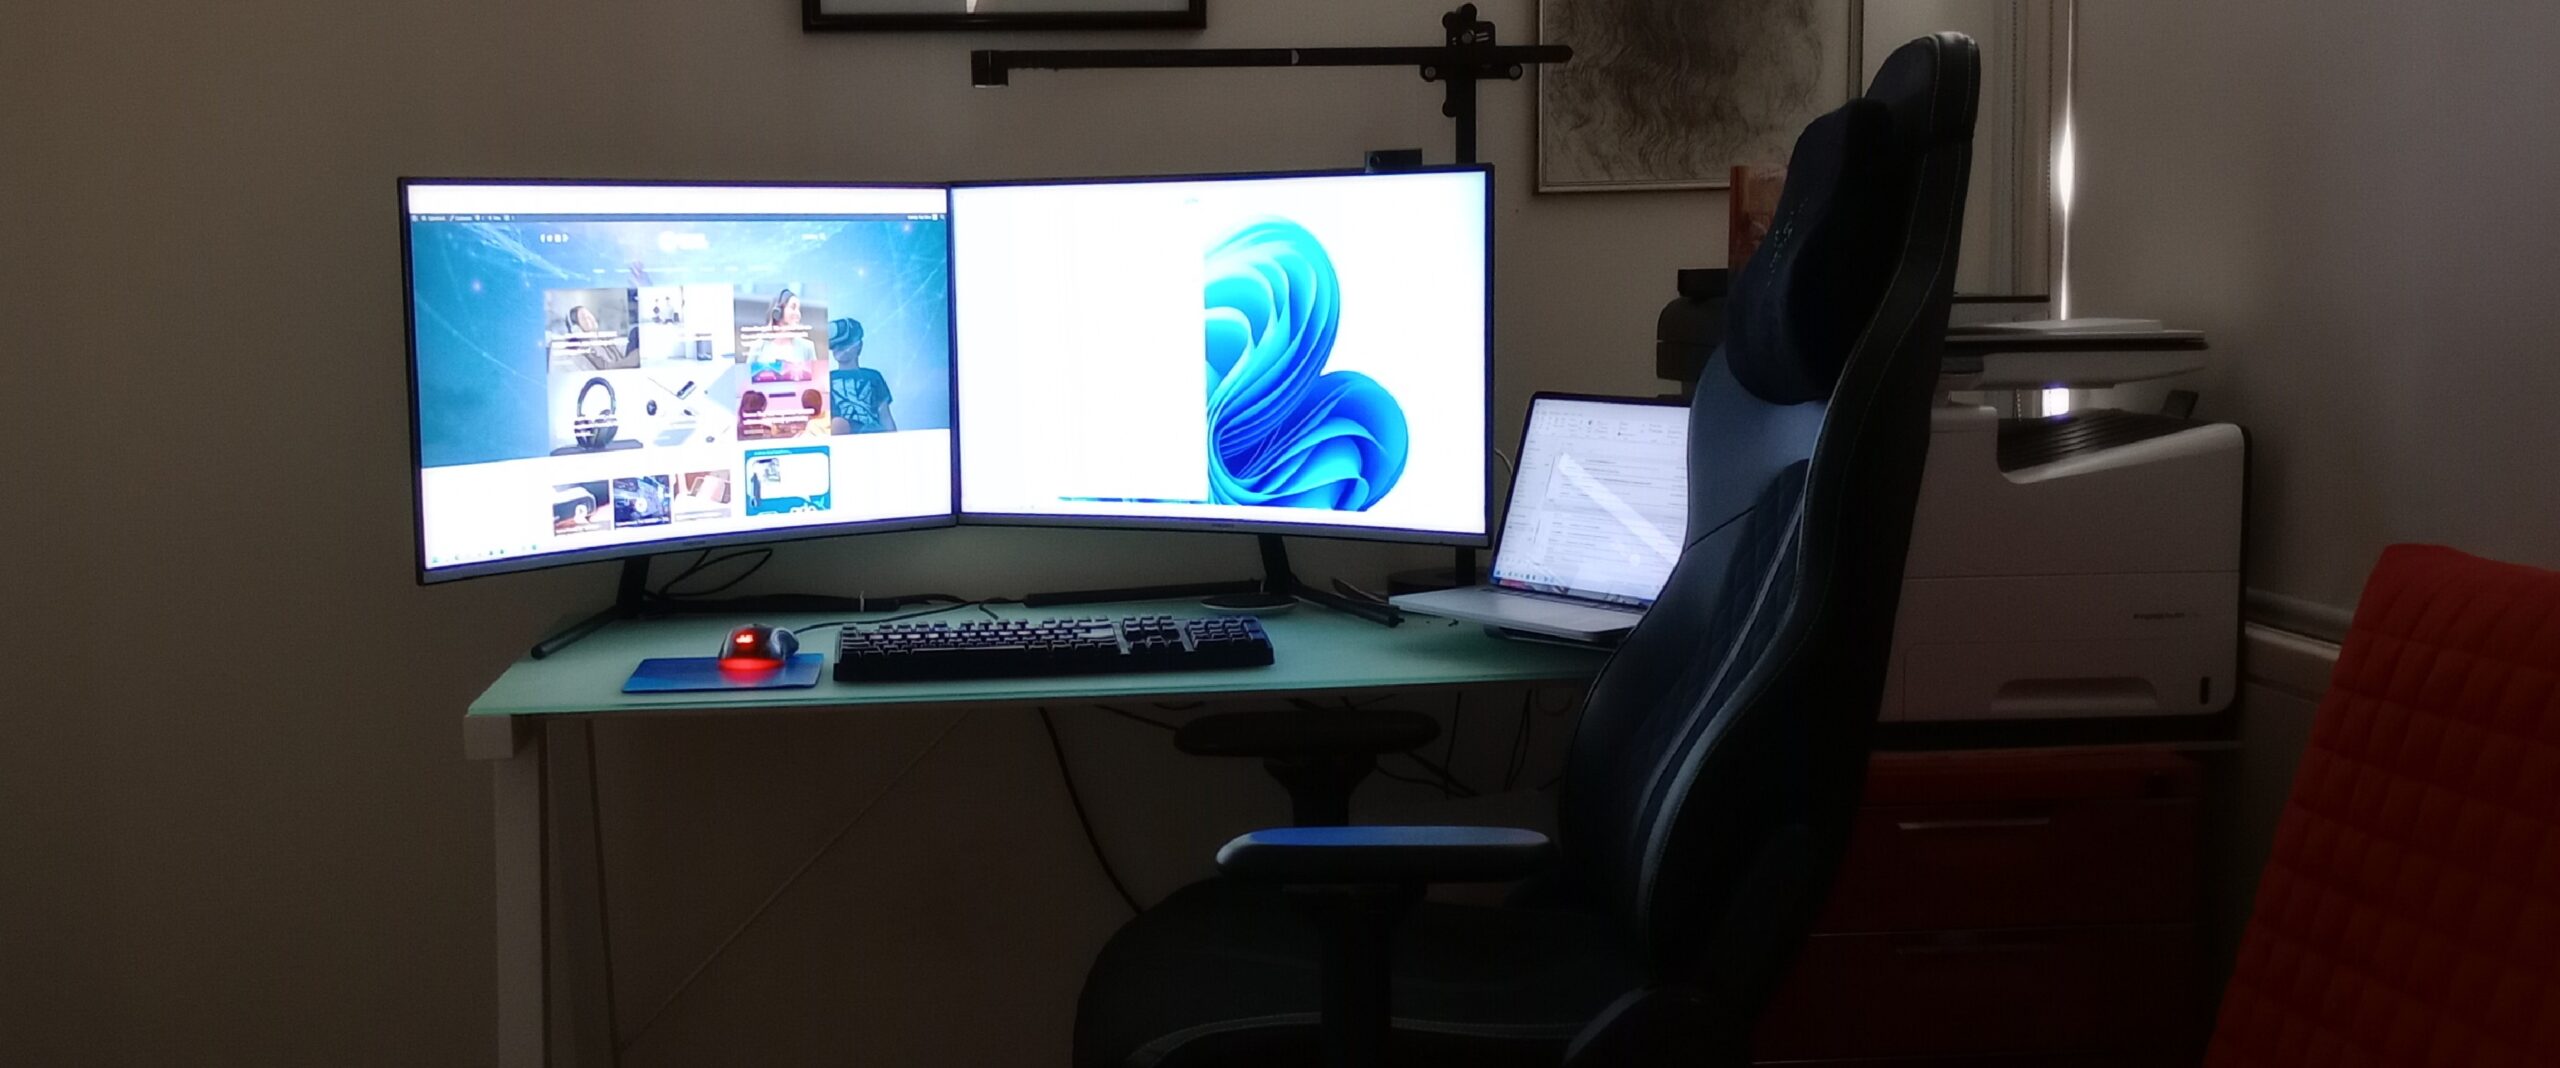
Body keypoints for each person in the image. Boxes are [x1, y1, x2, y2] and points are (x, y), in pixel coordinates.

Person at [826, 317, 896, 434]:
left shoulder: (873, 376)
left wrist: (894, 440)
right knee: (838, 423)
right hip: (842, 438)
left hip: (872, 435)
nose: (838, 349)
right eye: (835, 346)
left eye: (844, 345)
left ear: (859, 345)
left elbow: (885, 414)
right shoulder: (828, 378)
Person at [748, 288, 817, 381]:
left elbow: (816, 381)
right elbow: (746, 380)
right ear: (778, 312)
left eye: (799, 309)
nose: (798, 314)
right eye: (793, 307)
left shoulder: (807, 347)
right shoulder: (758, 346)